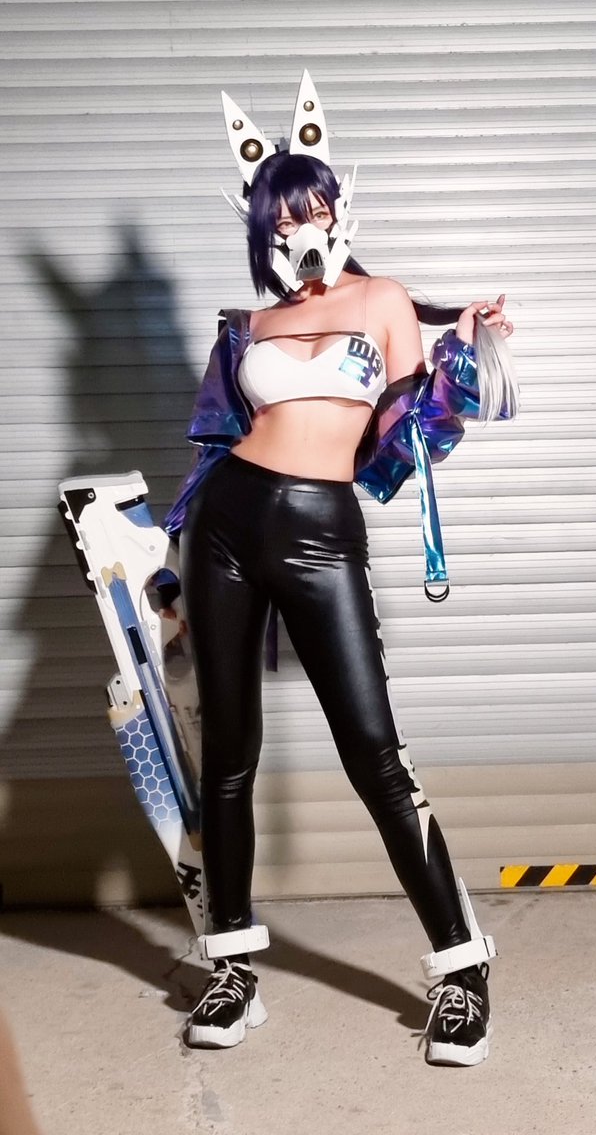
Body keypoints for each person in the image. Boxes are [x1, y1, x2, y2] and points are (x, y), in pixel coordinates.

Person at [163, 72, 517, 1066]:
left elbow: (408, 436)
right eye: (284, 219)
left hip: (321, 530)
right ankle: (233, 967)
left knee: (374, 752)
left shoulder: (382, 299)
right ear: (261, 229)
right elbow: (214, 444)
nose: (304, 230)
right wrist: (173, 568)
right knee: (227, 756)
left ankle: (461, 970)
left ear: (338, 208)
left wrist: (466, 356)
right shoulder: (247, 328)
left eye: (315, 210)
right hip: (225, 528)